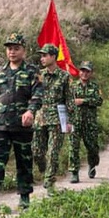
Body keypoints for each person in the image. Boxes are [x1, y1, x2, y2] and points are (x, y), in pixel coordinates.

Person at [0, 33, 43, 211]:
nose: (12, 52)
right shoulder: (0, 71)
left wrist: (30, 111)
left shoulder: (32, 71)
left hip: (22, 124)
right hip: (0, 123)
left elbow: (37, 95)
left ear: (24, 51)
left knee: (24, 160)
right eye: (9, 48)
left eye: (16, 48)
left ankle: (25, 196)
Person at [33, 43, 75, 192]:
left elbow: (70, 99)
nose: (42, 58)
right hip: (40, 118)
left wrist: (70, 121)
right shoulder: (39, 75)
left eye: (45, 55)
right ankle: (45, 171)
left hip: (57, 119)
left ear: (53, 57)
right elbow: (32, 96)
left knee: (52, 152)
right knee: (36, 151)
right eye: (41, 55)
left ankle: (49, 181)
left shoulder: (64, 76)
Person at [68, 61, 103, 183]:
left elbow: (99, 101)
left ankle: (92, 165)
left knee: (92, 148)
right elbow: (67, 102)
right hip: (75, 122)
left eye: (87, 71)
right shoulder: (72, 86)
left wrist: (84, 101)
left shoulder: (95, 87)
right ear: (79, 71)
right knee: (73, 147)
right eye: (82, 70)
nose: (84, 73)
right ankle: (74, 172)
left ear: (91, 73)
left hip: (90, 123)